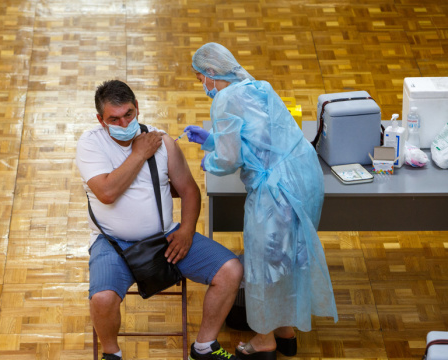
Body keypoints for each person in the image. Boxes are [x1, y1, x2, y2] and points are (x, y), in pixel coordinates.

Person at [184, 43, 338, 360]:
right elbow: (261, 138)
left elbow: (229, 159)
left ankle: (264, 340)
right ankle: (286, 331)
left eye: (201, 79)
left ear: (211, 72)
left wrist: (209, 158)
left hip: (276, 190)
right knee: (291, 254)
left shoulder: (225, 98)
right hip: (305, 177)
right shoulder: (259, 87)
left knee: (264, 260)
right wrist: (211, 138)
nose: (203, 87)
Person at [76, 79, 244, 360]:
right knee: (102, 299)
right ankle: (111, 354)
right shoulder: (90, 144)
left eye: (128, 114)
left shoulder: (163, 141)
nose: (123, 122)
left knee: (231, 271)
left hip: (166, 239)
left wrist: (187, 230)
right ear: (100, 120)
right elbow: (106, 192)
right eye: (114, 119)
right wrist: (139, 153)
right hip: (112, 243)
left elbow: (190, 191)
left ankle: (204, 346)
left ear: (138, 108)